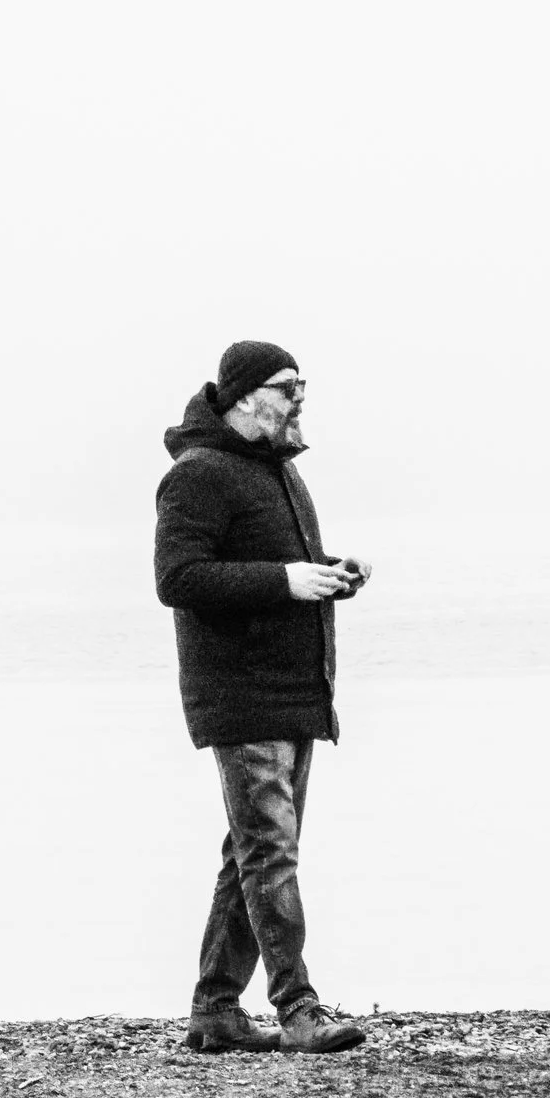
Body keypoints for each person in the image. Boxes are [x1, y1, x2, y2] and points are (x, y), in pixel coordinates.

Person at [154, 338, 372, 1056]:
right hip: (239, 696)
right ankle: (297, 1006)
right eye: (288, 386)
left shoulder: (273, 471)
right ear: (246, 394)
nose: (300, 396)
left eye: (303, 384)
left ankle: (215, 1009)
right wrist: (285, 580)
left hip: (295, 692)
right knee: (269, 854)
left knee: (252, 853)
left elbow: (272, 564)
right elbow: (178, 579)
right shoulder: (197, 475)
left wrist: (329, 573)